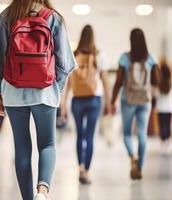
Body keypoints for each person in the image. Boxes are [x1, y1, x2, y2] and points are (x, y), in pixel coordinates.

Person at [0, 0, 76, 199]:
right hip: (45, 92)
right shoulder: (53, 17)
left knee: (21, 148)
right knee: (47, 144)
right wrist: (56, 90)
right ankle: (42, 192)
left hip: (13, 92)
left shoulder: (7, 16)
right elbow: (65, 63)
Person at [61, 25, 110, 185]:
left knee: (80, 135)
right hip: (94, 99)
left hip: (77, 100)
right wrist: (109, 101)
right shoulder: (98, 55)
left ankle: (80, 168)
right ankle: (86, 171)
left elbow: (68, 83)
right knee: (89, 136)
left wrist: (63, 104)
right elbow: (104, 79)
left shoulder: (74, 55)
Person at [110, 28, 159, 180]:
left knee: (126, 133)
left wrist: (112, 101)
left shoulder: (125, 58)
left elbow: (118, 82)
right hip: (145, 100)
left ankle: (133, 157)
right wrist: (154, 99)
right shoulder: (151, 58)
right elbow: (156, 81)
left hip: (128, 99)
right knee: (142, 133)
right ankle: (140, 167)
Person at [156, 61, 172, 154]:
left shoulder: (159, 83)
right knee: (168, 125)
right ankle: (167, 143)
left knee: (162, 126)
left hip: (160, 108)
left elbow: (156, 95)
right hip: (169, 108)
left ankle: (162, 143)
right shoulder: (171, 83)